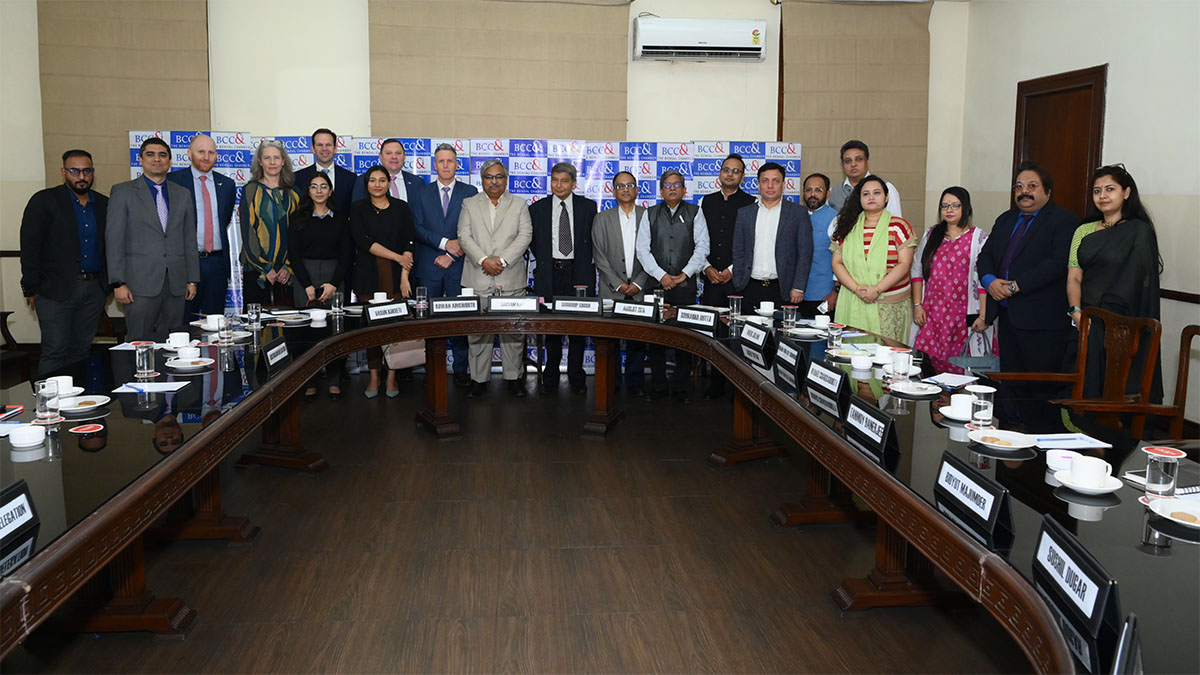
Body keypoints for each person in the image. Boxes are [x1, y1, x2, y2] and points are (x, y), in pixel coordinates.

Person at [1067, 164, 1163, 402]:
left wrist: (1107, 319)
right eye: (1097, 190)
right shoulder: (1083, 231)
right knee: (1079, 389)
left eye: (1110, 189)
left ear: (1126, 192)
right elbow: (1074, 276)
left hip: (1121, 326)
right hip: (1084, 322)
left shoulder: (1139, 232)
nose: (1103, 195)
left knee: (1113, 389)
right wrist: (1077, 313)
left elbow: (1135, 280)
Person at [977, 161, 1077, 373]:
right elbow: (985, 255)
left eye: (1032, 186)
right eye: (1019, 186)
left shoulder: (1064, 221)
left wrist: (1015, 286)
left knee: (1038, 392)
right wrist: (990, 281)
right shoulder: (1006, 219)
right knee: (1010, 386)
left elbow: (1058, 263)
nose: (1024, 192)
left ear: (1048, 191)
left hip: (1042, 323)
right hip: (1006, 318)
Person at [20, 149, 110, 376]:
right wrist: (31, 287)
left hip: (93, 289)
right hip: (54, 291)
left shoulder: (103, 203)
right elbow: (30, 245)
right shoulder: (45, 201)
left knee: (80, 351)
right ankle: (49, 407)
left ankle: (75, 406)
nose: (82, 176)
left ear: (93, 173)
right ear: (64, 172)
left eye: (87, 171)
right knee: (55, 351)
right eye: (75, 171)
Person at [106, 138, 198, 342]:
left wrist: (192, 279)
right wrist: (118, 282)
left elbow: (189, 239)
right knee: (139, 341)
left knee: (174, 342)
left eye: (162, 155)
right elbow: (114, 240)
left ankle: (169, 376)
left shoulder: (182, 194)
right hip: (138, 285)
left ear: (170, 161)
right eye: (150, 154)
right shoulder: (123, 192)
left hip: (176, 283)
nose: (157, 159)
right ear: (140, 159)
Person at [459, 159, 533, 398]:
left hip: (510, 277)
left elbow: (525, 236)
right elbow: (464, 236)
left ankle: (514, 378)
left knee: (514, 331)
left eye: (499, 176)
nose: (494, 181)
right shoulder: (469, 203)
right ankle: (479, 380)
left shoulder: (520, 204)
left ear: (506, 179)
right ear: (482, 180)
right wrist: (484, 260)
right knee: (478, 332)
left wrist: (501, 261)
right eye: (489, 177)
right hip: (478, 277)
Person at [636, 169, 711, 403]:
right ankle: (658, 385)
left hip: (685, 285)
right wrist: (661, 275)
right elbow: (642, 249)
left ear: (684, 189)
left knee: (684, 338)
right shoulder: (650, 214)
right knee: (656, 337)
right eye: (667, 185)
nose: (672, 188)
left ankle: (680, 387)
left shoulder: (695, 213)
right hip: (655, 285)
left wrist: (683, 274)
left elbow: (702, 247)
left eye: (677, 184)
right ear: (661, 190)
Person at [412, 143, 478, 387]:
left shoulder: (470, 191)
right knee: (430, 323)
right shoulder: (422, 193)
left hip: (460, 268)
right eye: (441, 161)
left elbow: (474, 230)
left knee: (460, 322)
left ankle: (461, 371)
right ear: (434, 164)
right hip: (429, 268)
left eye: (450, 161)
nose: (446, 165)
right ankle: (433, 369)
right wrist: (443, 243)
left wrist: (452, 254)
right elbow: (417, 227)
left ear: (457, 164)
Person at [530, 162, 597, 395]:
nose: (559, 185)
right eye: (555, 180)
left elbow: (593, 242)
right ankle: (550, 377)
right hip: (550, 274)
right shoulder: (537, 208)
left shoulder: (588, 207)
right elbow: (533, 242)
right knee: (552, 327)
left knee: (578, 327)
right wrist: (550, 262)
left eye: (564, 181)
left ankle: (577, 377)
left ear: (574, 183)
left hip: (579, 274)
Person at [911, 187, 993, 374]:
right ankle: (938, 403)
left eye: (955, 205)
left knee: (962, 371)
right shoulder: (932, 235)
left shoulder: (977, 238)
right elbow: (916, 269)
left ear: (966, 208)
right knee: (931, 372)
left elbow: (982, 279)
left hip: (964, 317)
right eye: (945, 206)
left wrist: (983, 316)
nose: (949, 210)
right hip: (932, 315)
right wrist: (917, 305)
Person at [350, 165, 416, 399]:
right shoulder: (358, 209)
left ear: (389, 183)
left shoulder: (401, 208)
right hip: (369, 277)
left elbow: (409, 244)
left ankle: (391, 376)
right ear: (366, 184)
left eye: (382, 180)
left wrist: (404, 276)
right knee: (373, 331)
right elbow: (364, 241)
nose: (377, 185)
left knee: (394, 330)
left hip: (397, 278)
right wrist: (398, 257)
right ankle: (374, 376)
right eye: (372, 181)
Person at [288, 171, 352, 399]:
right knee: (305, 333)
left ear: (330, 190)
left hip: (334, 276)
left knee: (334, 331)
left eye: (323, 186)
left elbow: (347, 253)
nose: (318, 190)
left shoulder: (341, 218)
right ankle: (309, 381)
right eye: (314, 186)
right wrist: (306, 284)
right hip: (304, 275)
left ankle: (334, 380)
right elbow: (293, 254)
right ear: (308, 191)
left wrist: (334, 284)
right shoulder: (298, 217)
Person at [830, 175, 915, 343]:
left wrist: (876, 289)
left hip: (889, 305)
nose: (871, 197)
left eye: (876, 193)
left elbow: (904, 264)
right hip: (853, 299)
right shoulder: (847, 226)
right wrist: (856, 289)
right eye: (866, 194)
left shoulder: (899, 226)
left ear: (886, 197)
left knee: (887, 358)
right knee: (853, 356)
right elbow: (837, 263)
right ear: (859, 198)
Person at [699, 153, 754, 399]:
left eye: (736, 171)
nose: (730, 174)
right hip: (710, 277)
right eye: (726, 170)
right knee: (714, 334)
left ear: (742, 176)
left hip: (738, 279)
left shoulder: (752, 203)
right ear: (719, 174)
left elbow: (751, 243)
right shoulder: (706, 201)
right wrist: (707, 267)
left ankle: (738, 386)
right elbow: (698, 239)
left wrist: (731, 269)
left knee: (736, 334)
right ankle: (715, 384)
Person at [592, 172, 650, 396]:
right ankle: (612, 382)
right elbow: (599, 256)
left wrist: (638, 283)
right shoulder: (601, 218)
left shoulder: (648, 216)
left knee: (638, 339)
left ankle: (635, 383)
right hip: (611, 290)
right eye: (620, 186)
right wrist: (618, 285)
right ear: (613, 191)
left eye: (630, 185)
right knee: (610, 340)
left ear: (636, 190)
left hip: (640, 290)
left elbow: (652, 255)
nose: (625, 189)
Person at [167, 134, 235, 318]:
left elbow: (224, 218)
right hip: (186, 263)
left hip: (217, 264)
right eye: (201, 152)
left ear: (217, 155)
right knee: (184, 321)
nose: (206, 157)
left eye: (211, 152)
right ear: (189, 153)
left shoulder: (227, 184)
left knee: (215, 322)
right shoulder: (172, 181)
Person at [732, 162, 813, 312]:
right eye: (765, 181)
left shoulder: (798, 213)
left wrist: (799, 287)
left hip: (784, 289)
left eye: (775, 181)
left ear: (783, 185)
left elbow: (805, 253)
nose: (770, 186)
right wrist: (738, 281)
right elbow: (738, 251)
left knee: (781, 334)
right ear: (758, 185)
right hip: (749, 287)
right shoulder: (745, 213)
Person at [240, 140, 300, 306]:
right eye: (267, 158)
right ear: (260, 161)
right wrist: (265, 268)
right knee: (257, 324)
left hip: (286, 274)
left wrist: (289, 266)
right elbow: (248, 232)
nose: (272, 162)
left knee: (287, 325)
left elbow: (299, 232)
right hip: (255, 270)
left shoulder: (295, 193)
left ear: (283, 161)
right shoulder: (250, 190)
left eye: (276, 158)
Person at [826, 140, 902, 217]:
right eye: (848, 161)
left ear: (867, 162)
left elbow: (896, 222)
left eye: (858, 159)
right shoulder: (833, 192)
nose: (853, 164)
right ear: (842, 164)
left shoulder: (886, 188)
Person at [294, 128, 356, 216]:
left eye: (328, 145)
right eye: (320, 145)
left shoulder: (351, 178)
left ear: (335, 148)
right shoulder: (298, 177)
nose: (324, 149)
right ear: (313, 149)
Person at [800, 173, 838, 317]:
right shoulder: (797, 215)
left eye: (818, 190)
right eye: (809, 190)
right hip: (797, 294)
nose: (813, 194)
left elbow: (841, 259)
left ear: (828, 193)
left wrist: (835, 292)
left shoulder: (835, 219)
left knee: (820, 338)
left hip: (824, 294)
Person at [350, 138, 426, 207]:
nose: (394, 157)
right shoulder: (363, 181)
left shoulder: (417, 183)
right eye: (389, 153)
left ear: (404, 156)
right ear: (380, 157)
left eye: (398, 153)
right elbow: (357, 211)